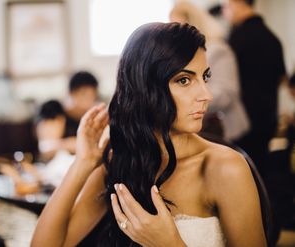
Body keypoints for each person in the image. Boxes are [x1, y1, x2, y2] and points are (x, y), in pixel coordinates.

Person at [31, 23, 268, 247]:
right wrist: (83, 163)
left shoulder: (225, 168)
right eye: (184, 80)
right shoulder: (121, 163)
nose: (206, 94)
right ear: (144, 89)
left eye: (204, 77)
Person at [222, 0, 287, 174]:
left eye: (226, 6)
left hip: (241, 124)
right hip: (268, 119)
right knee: (260, 175)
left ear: (237, 3)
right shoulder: (272, 38)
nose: (224, 12)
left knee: (240, 175)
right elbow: (282, 78)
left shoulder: (234, 40)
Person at [169, 1, 249, 141]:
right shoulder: (179, 55)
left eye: (178, 26)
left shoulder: (217, 50)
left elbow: (226, 93)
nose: (175, 35)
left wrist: (184, 101)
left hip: (225, 129)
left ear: (193, 23)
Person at [37, 71, 100, 161]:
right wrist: (81, 143)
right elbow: (46, 147)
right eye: (83, 94)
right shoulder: (55, 110)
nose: (88, 100)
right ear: (71, 93)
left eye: (92, 95)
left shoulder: (95, 115)